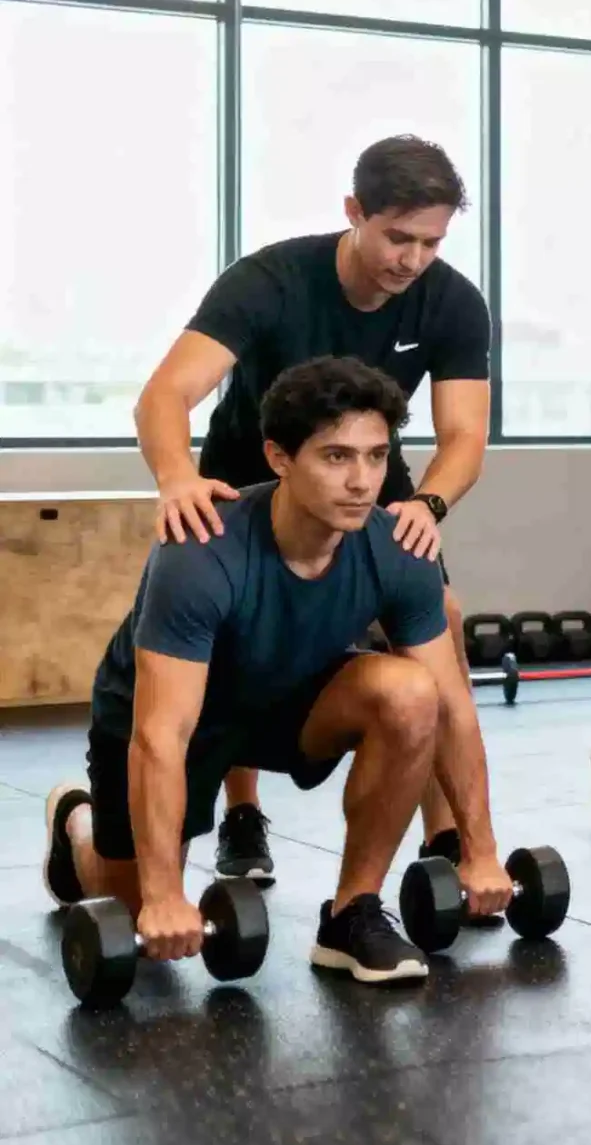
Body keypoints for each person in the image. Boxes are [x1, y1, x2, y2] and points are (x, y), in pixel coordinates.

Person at [41, 358, 512, 985]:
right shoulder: (202, 551)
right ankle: (77, 823)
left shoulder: (400, 547)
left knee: (411, 692)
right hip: (173, 718)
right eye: (337, 457)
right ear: (279, 457)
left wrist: (480, 852)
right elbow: (160, 737)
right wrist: (161, 895)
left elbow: (453, 708)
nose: (362, 481)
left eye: (376, 457)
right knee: (128, 907)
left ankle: (352, 915)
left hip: (289, 698)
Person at [132, 135, 492, 888]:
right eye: (397, 236)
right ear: (354, 212)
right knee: (235, 643)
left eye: (431, 241)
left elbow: (464, 434)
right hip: (246, 478)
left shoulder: (452, 300)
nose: (412, 259)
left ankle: (449, 834)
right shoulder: (270, 280)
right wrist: (174, 480)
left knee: (440, 620)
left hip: (369, 478)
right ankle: (241, 809)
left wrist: (427, 502)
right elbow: (165, 394)